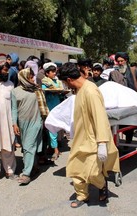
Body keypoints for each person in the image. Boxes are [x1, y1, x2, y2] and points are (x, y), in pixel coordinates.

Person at [57, 62, 120, 208]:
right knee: (75, 170)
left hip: (93, 139)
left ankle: (102, 185)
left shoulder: (90, 91)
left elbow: (100, 118)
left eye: (65, 83)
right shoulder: (79, 90)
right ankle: (82, 195)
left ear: (69, 80)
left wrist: (103, 143)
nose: (66, 87)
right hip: (80, 138)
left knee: (92, 172)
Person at [11, 67, 48, 185]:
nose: (33, 78)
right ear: (23, 78)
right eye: (30, 76)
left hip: (36, 121)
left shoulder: (37, 90)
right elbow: (13, 109)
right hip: (22, 123)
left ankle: (26, 174)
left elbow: (43, 107)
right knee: (29, 146)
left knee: (28, 146)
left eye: (33, 76)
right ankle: (34, 166)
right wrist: (14, 123)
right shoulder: (15, 91)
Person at [41, 62, 64, 161]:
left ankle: (54, 148)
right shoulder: (44, 83)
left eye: (55, 72)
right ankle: (55, 149)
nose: (54, 73)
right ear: (47, 73)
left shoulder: (57, 82)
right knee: (50, 130)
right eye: (52, 72)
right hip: (48, 109)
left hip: (56, 108)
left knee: (53, 129)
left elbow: (62, 92)